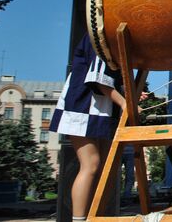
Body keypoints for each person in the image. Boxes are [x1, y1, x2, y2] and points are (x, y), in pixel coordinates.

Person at [49, 35, 126, 221]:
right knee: (91, 164)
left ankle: (93, 216)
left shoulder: (110, 39)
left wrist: (125, 97)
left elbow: (107, 81)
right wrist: (125, 103)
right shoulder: (99, 36)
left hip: (101, 109)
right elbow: (97, 80)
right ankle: (80, 218)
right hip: (83, 106)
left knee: (104, 168)